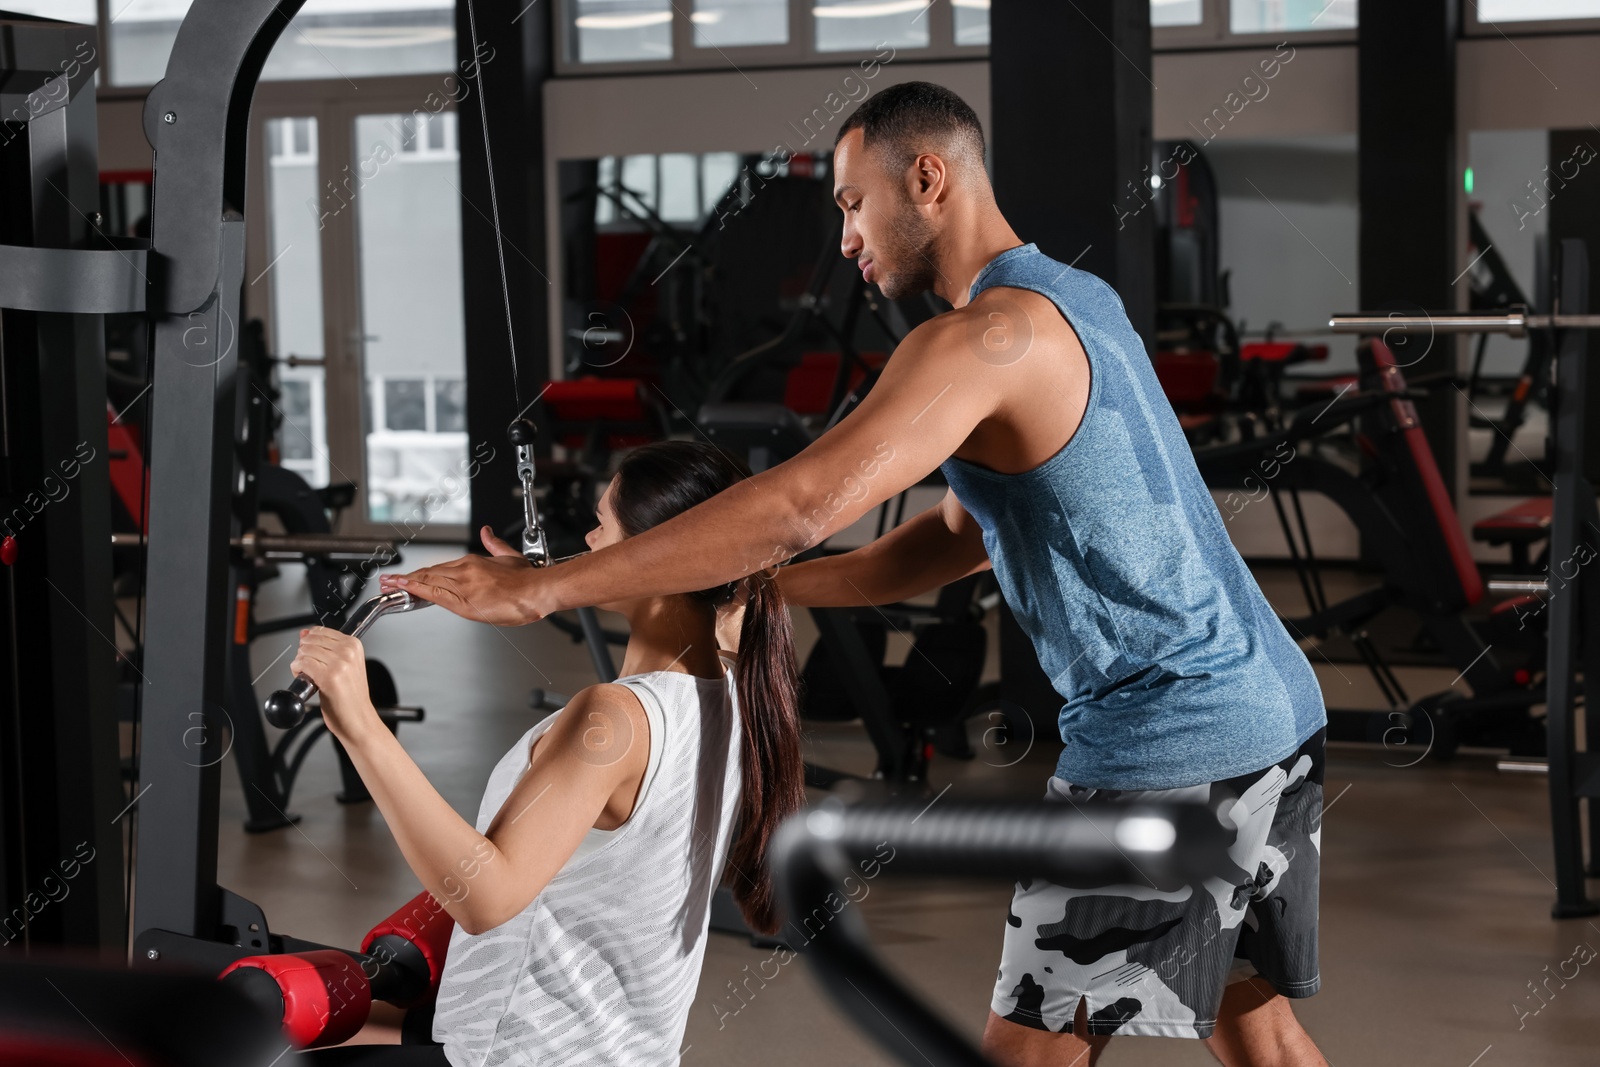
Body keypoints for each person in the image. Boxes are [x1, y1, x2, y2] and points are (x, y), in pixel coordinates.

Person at [385, 82, 1329, 1066]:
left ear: (926, 178)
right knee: (1254, 1024)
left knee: (1031, 1050)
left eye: (849, 202)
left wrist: (544, 587)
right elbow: (952, 536)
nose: (844, 237)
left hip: (1169, 742)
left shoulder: (978, 340)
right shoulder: (1073, 300)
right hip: (1272, 714)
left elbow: (800, 505)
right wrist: (763, 586)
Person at [293, 441, 805, 1066]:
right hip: (616, 1051)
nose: (586, 543)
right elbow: (712, 567)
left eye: (600, 526)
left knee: (236, 1026)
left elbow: (484, 899)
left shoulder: (613, 718)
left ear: (653, 555)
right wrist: (543, 586)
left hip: (516, 1053)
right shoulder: (735, 685)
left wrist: (359, 724)